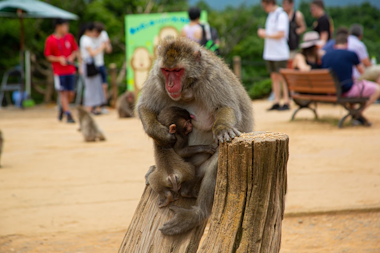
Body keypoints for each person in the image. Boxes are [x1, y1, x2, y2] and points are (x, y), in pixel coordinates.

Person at [321, 34, 380, 126]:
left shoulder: (325, 56)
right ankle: (357, 114)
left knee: (355, 87)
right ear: (347, 44)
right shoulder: (351, 54)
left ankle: (355, 112)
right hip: (346, 90)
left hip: (331, 91)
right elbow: (362, 72)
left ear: (334, 45)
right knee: (377, 89)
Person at [258, 0, 290, 111]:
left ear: (270, 3)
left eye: (264, 5)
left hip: (280, 53)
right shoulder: (271, 15)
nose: (264, 8)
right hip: (270, 52)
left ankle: (286, 101)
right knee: (274, 77)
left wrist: (265, 34)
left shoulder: (281, 15)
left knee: (283, 77)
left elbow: (281, 33)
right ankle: (276, 100)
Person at [44, 19, 78, 123]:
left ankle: (63, 108)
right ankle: (68, 114)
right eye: (65, 26)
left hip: (70, 69)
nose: (67, 28)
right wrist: (59, 59)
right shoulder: (50, 40)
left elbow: (75, 50)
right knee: (63, 93)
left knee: (71, 93)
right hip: (59, 71)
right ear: (58, 26)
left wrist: (71, 57)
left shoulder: (69, 37)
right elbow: (48, 56)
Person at [79, 23, 105, 114]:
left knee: (93, 86)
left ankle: (93, 107)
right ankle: (89, 108)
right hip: (89, 65)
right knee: (90, 87)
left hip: (90, 64)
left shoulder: (85, 39)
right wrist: (101, 48)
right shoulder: (86, 39)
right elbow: (92, 53)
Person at [93, 22, 112, 114]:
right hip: (92, 64)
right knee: (95, 86)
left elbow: (109, 50)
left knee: (104, 85)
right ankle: (95, 105)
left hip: (101, 63)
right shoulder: (89, 36)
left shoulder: (103, 34)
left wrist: (106, 44)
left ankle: (103, 104)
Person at [282, 0, 306, 68]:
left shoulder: (297, 15)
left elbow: (303, 27)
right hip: (283, 45)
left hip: (293, 45)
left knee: (291, 65)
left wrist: (297, 31)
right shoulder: (282, 15)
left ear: (291, 4)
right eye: (283, 4)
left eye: (286, 4)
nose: (284, 6)